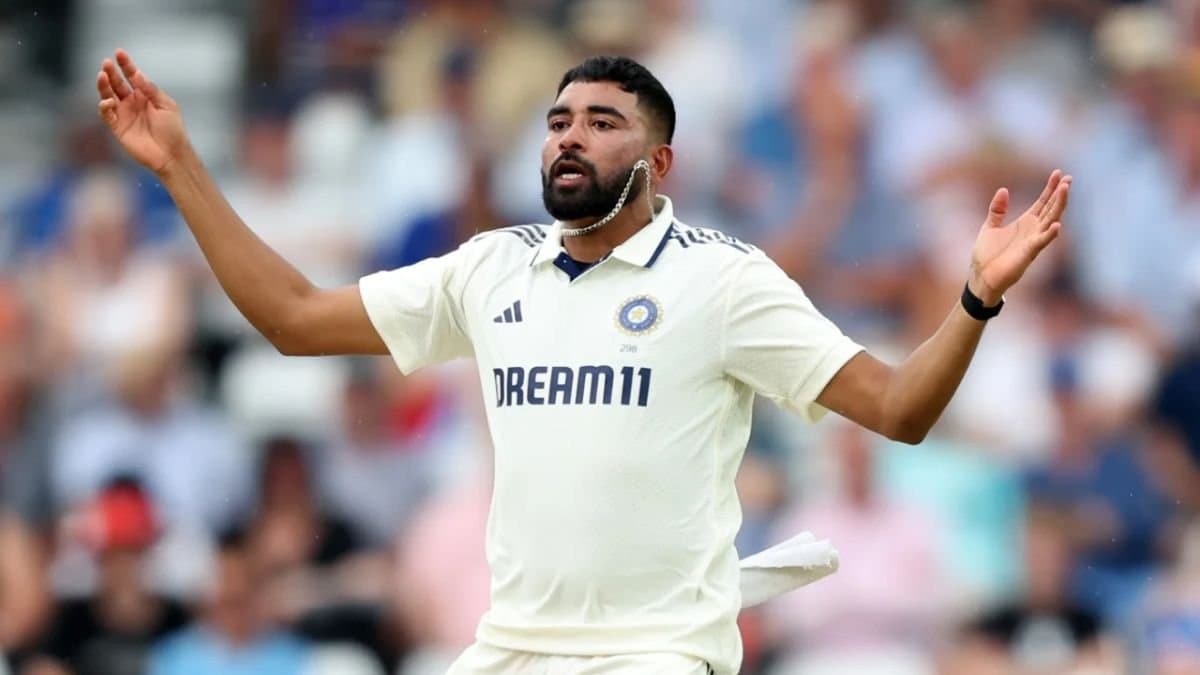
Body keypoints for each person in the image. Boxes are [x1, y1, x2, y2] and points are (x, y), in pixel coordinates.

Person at [95, 50, 1071, 675]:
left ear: (662, 166)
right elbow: (296, 318)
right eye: (561, 120)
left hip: (654, 656)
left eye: (604, 123)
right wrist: (181, 166)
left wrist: (976, 297)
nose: (570, 136)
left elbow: (899, 408)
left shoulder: (724, 282)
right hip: (510, 650)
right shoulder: (492, 268)